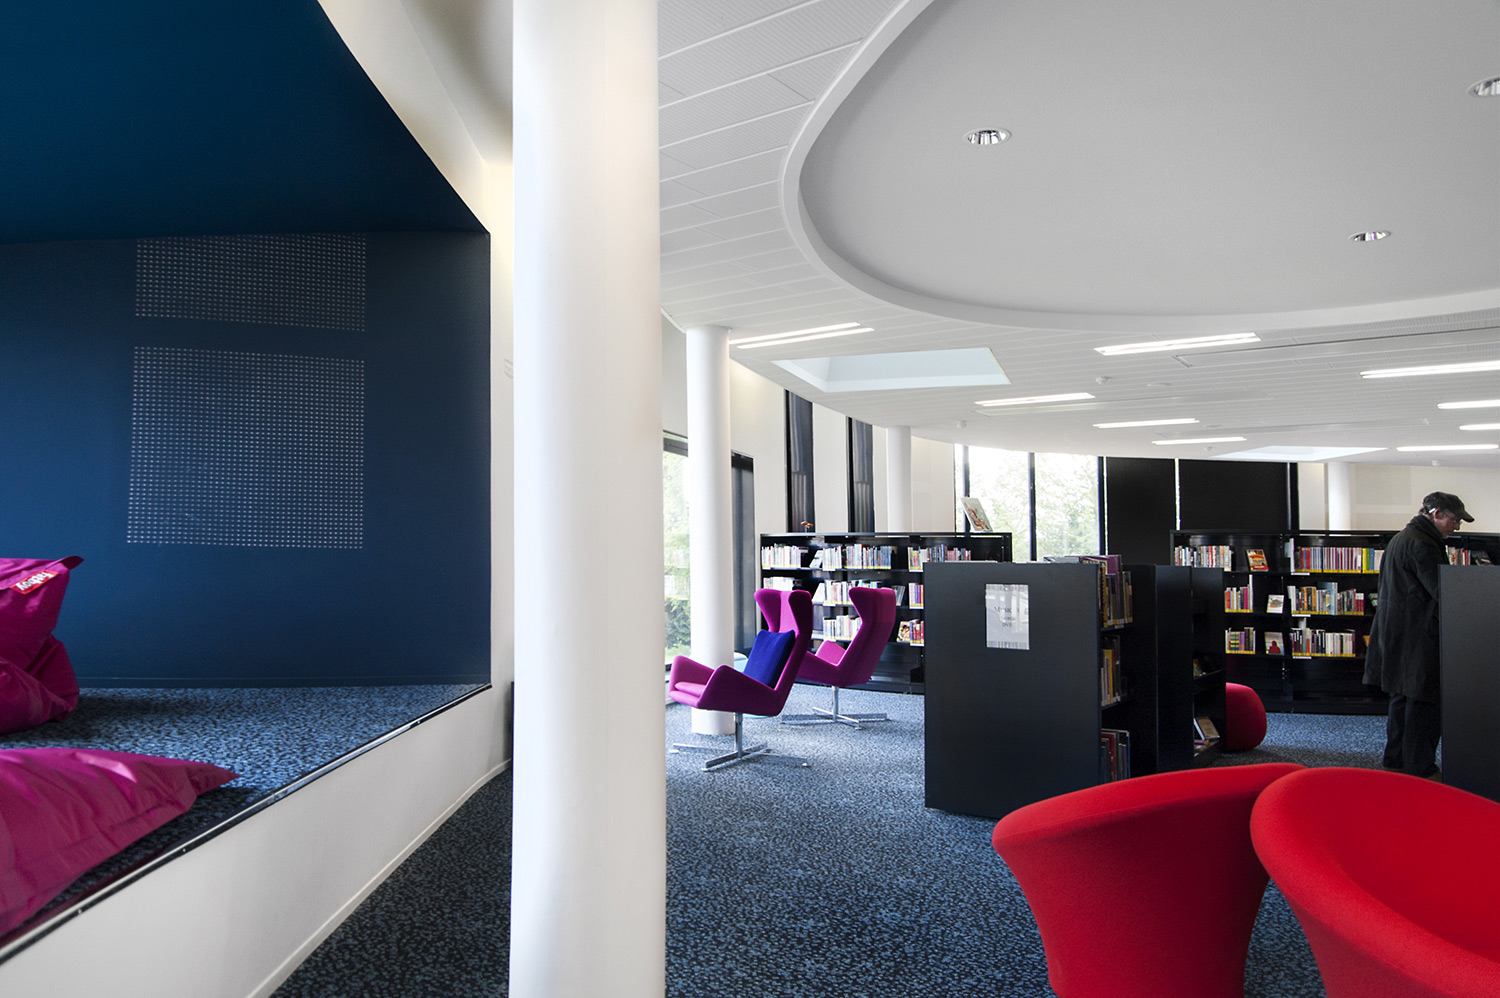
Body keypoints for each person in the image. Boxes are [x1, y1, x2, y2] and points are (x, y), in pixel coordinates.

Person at [1363, 491, 1474, 779]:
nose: (1456, 527)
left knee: (1401, 698)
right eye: (1454, 520)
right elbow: (1440, 591)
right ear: (1436, 514)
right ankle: (1419, 767)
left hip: (1397, 633)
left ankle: (1395, 760)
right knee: (1423, 703)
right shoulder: (1424, 543)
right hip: (1418, 635)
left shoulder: (1401, 538)